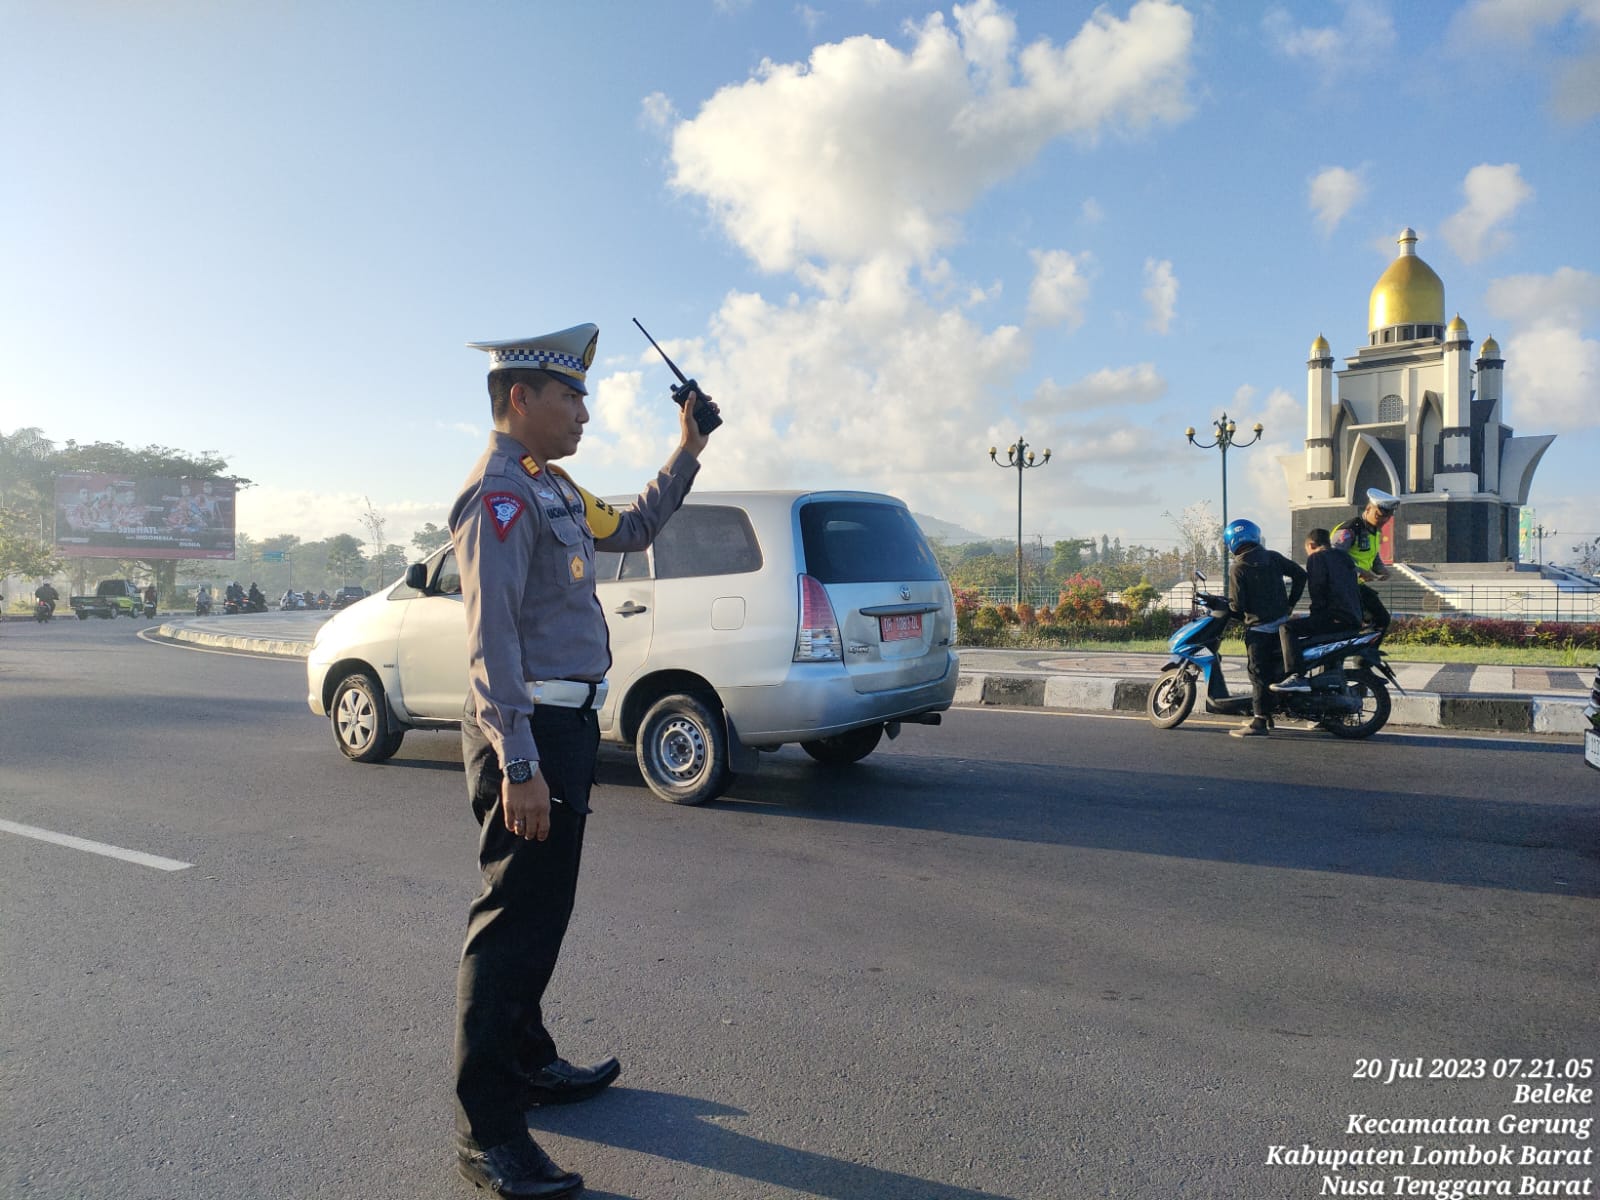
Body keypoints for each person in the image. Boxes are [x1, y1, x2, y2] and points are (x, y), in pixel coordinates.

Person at [449, 321, 717, 1197]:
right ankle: (488, 1130)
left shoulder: (549, 486)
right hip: (525, 739)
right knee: (511, 923)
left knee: (544, 913)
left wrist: (689, 447)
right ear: (520, 399)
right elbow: (490, 643)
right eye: (572, 397)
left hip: (562, 734)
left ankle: (526, 1060)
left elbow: (634, 527)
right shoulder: (498, 498)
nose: (585, 413)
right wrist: (519, 764)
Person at [1224, 518, 1307, 738]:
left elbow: (1237, 605)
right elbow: (1300, 575)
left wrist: (1230, 611)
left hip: (1259, 630)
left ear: (1231, 541)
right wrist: (1290, 604)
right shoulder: (1272, 557)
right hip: (1282, 627)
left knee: (1258, 674)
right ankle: (1267, 714)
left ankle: (1260, 721)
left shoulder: (1238, 567)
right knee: (1273, 672)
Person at [1272, 527, 1363, 693]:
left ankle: (1296, 676)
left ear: (1311, 545)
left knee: (1287, 628)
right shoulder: (1344, 557)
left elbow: (1317, 590)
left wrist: (1315, 615)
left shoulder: (1317, 558)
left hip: (1334, 618)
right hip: (1353, 619)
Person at [1332, 487, 1398, 632]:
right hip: (1342, 587)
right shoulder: (1350, 529)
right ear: (1368, 509)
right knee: (1355, 622)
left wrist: (1381, 569)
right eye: (1379, 516)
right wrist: (1359, 572)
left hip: (1356, 586)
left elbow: (1373, 555)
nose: (1383, 521)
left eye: (1386, 518)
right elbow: (1334, 558)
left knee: (1382, 620)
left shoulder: (1374, 531)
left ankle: (1366, 652)